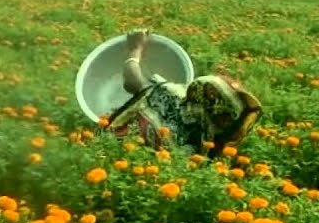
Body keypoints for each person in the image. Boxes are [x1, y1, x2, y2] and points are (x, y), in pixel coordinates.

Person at [107, 29, 262, 156]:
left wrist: (136, 49)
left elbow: (133, 80)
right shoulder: (209, 149)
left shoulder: (170, 102)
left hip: (115, 152)